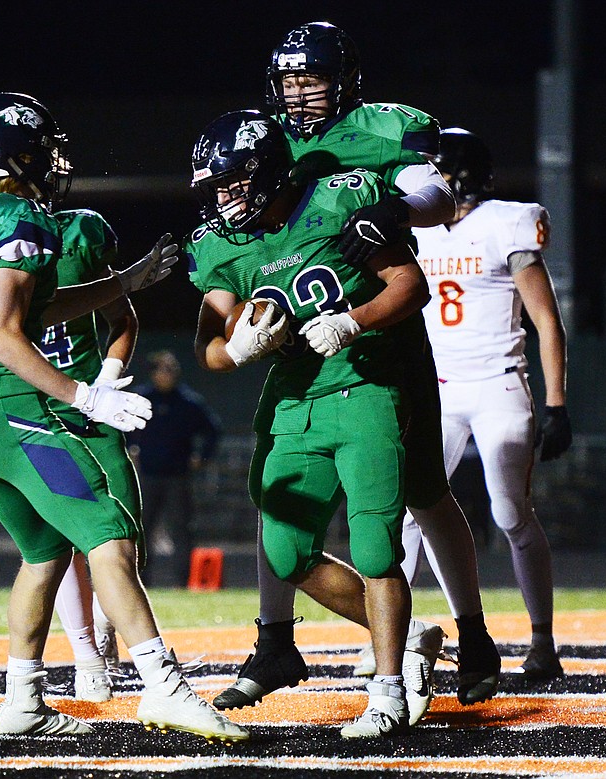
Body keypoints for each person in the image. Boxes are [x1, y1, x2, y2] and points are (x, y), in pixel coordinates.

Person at [0, 91, 246, 741]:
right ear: (18, 156)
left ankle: (22, 700)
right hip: (16, 410)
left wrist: (121, 283)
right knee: (109, 537)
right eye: (43, 150)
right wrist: (85, 395)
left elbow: (33, 312)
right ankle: (165, 686)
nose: (54, 162)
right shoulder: (17, 214)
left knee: (42, 555)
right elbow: (7, 336)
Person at [216, 20, 501, 716]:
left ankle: (473, 633)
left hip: (379, 332)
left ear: (343, 78)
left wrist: (388, 207)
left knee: (425, 490)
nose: (299, 92)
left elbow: (433, 198)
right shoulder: (271, 140)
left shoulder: (380, 129)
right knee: (278, 489)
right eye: (289, 80)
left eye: (311, 77)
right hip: (298, 338)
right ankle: (275, 635)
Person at [187, 109, 432, 739]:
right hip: (294, 401)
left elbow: (410, 284)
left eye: (232, 182)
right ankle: (405, 646)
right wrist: (237, 349)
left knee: (376, 546)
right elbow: (211, 347)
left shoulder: (340, 197)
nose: (222, 197)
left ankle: (386, 690)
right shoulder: (223, 242)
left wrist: (356, 320)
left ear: (267, 172)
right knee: (286, 551)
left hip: (365, 388)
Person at [0, 203, 145, 706]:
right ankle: (130, 670)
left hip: (63, 408)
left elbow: (111, 315)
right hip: (35, 412)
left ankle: (30, 692)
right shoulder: (8, 236)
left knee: (94, 540)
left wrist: (103, 383)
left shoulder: (66, 236)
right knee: (75, 542)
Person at [399, 128, 570, 682]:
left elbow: (546, 317)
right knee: (406, 515)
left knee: (511, 515)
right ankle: (394, 636)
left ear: (457, 177)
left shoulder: (505, 222)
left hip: (498, 383)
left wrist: (557, 402)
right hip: (437, 389)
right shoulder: (416, 234)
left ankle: (542, 641)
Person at [127, 349, 222, 586]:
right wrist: (129, 448)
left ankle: (184, 582)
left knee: (181, 531)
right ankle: (141, 581)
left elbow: (213, 430)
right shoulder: (142, 399)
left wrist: (202, 457)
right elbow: (122, 426)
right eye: (162, 370)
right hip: (148, 475)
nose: (167, 375)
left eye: (171, 370)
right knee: (143, 530)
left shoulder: (188, 403)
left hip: (178, 477)